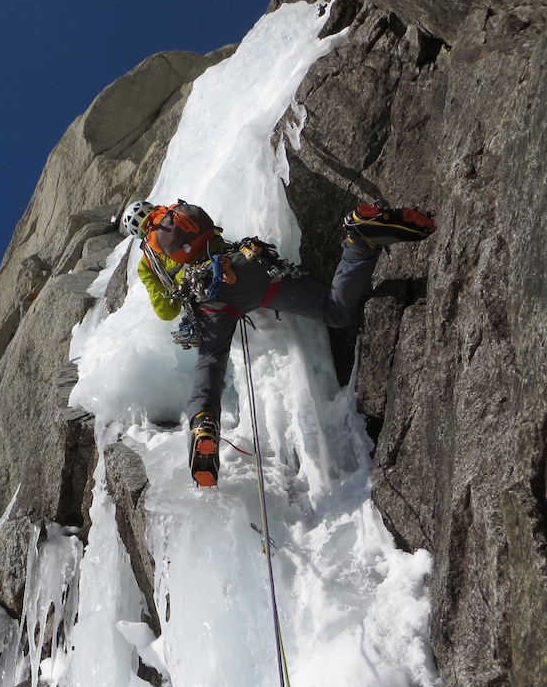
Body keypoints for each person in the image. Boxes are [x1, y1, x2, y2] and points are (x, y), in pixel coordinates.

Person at [119, 199, 436, 486]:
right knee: (333, 309)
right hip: (253, 267)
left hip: (216, 297)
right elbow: (216, 238)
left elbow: (166, 310)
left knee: (210, 362)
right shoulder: (181, 213)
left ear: (137, 232)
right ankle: (361, 238)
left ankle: (203, 423)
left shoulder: (150, 260)